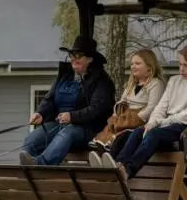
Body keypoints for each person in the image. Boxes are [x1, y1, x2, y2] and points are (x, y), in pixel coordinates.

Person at [94, 44, 187, 180]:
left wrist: (159, 123)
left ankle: (128, 170)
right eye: (180, 64)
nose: (181, 69)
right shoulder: (174, 81)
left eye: (186, 65)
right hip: (168, 123)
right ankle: (118, 165)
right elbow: (161, 106)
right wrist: (151, 122)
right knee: (139, 132)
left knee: (153, 135)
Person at [20, 35, 116, 166]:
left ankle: (40, 166)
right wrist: (41, 113)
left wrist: (72, 116)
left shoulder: (102, 81)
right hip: (60, 125)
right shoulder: (64, 77)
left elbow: (96, 109)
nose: (73, 60)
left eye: (78, 56)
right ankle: (26, 173)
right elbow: (50, 99)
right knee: (31, 140)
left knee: (68, 132)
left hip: (89, 129)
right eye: (71, 56)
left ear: (90, 59)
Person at [88, 49, 166, 155]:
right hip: (124, 117)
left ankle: (112, 159)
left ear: (149, 66)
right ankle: (101, 154)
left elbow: (153, 107)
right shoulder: (131, 84)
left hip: (139, 121)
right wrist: (116, 115)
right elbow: (122, 100)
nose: (133, 66)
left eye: (137, 63)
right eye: (132, 64)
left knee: (119, 139)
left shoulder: (155, 84)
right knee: (105, 135)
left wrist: (136, 118)